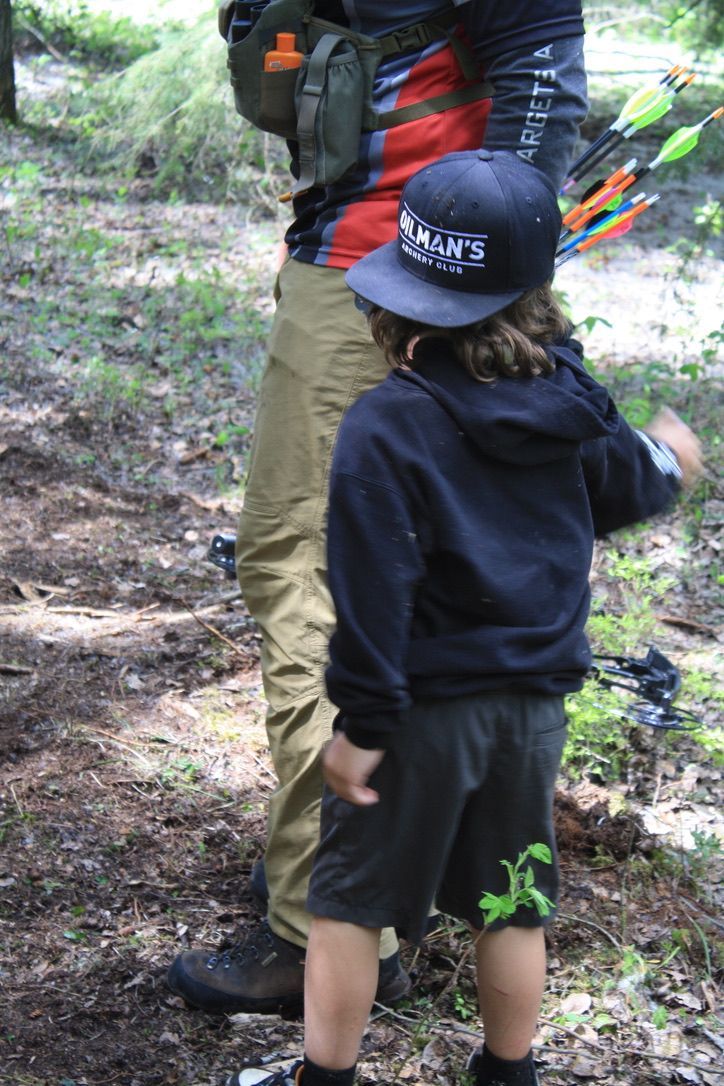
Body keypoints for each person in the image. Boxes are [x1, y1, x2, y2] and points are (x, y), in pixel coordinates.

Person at [221, 148, 703, 1086]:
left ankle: (325, 1077)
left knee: (349, 904)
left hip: (419, 716)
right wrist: (667, 459)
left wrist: (362, 727)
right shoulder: (570, 401)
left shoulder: (385, 425)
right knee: (512, 901)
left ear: (400, 299)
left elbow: (373, 595)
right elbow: (621, 487)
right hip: (531, 714)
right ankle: (509, 1073)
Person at [168, 0, 589, 1015]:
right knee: (370, 569)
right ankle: (368, 879)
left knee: (304, 571)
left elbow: (538, 60)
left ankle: (323, 916)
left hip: (401, 272)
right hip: (382, 256)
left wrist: (475, 283)